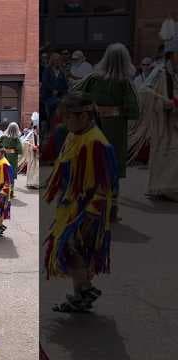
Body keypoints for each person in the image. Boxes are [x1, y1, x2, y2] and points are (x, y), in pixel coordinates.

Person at [44, 92, 118, 313]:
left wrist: (93, 212)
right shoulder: (75, 135)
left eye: (68, 117)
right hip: (72, 202)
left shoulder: (96, 142)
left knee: (72, 246)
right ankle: (82, 292)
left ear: (84, 116)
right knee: (72, 249)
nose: (65, 122)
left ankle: (84, 292)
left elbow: (107, 182)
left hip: (88, 207)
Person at [73, 43, 139, 220]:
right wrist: (117, 110)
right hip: (115, 129)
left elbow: (75, 93)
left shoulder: (94, 78)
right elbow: (133, 110)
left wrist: (93, 106)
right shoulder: (124, 82)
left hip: (93, 126)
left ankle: (91, 206)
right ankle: (111, 209)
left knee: (93, 164)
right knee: (112, 167)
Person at [139, 36, 178, 201]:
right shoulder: (159, 71)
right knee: (164, 152)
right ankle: (159, 187)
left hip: (175, 118)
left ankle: (171, 187)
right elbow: (144, 90)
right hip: (163, 120)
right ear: (171, 54)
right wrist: (163, 101)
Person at [41, 53, 68, 127]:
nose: (57, 62)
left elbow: (65, 85)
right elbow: (45, 82)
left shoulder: (61, 72)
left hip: (59, 96)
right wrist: (52, 90)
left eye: (59, 60)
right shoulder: (47, 70)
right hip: (48, 96)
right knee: (51, 112)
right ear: (52, 61)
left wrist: (60, 91)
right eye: (56, 60)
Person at [0, 122, 22, 198]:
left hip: (3, 156)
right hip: (13, 158)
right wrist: (14, 151)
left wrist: (2, 149)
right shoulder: (16, 139)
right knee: (11, 175)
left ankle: (1, 191)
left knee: (3, 173)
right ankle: (10, 192)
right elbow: (20, 149)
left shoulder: (3, 137)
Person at [23, 124, 40, 189]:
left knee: (37, 168)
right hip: (31, 154)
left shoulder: (38, 135)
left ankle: (36, 183)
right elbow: (25, 142)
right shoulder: (30, 134)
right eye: (38, 128)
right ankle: (30, 183)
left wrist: (38, 146)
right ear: (35, 128)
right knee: (31, 168)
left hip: (37, 154)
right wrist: (32, 146)